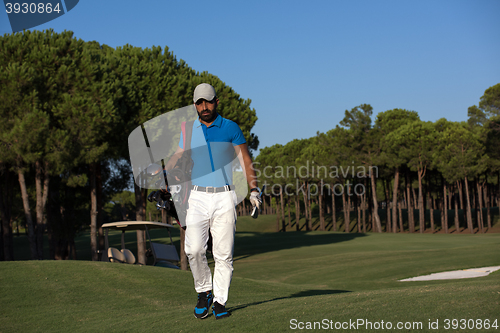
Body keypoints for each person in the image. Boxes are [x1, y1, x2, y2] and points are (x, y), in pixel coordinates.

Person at [165, 83, 261, 320]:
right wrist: (164, 180)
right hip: (197, 196)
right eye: (199, 103)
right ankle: (204, 291)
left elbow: (246, 160)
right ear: (195, 105)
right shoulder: (188, 129)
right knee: (194, 249)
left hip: (225, 196)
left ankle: (220, 301)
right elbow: (177, 157)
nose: (204, 107)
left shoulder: (230, 128)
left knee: (223, 254)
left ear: (216, 101)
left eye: (208, 101)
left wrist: (254, 190)